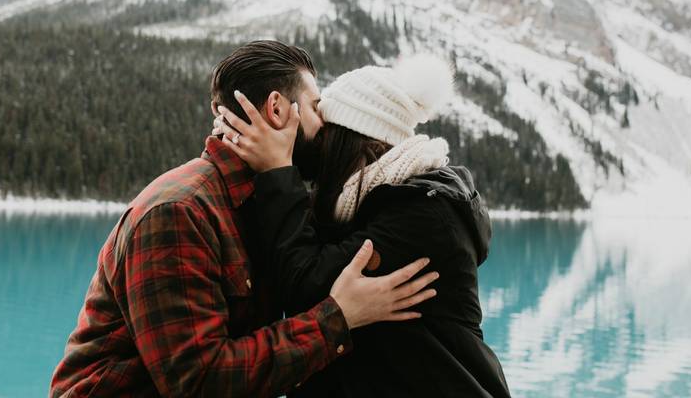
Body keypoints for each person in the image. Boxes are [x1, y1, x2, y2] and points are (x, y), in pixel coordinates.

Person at [49, 41, 438, 397]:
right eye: (317, 109)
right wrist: (339, 317)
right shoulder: (179, 213)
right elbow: (198, 382)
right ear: (277, 109)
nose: (326, 127)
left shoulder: (264, 203)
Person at [214, 53, 512, 397]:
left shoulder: (423, 214)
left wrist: (276, 171)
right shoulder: (369, 204)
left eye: (326, 134)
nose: (317, 143)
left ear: (352, 140)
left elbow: (304, 284)